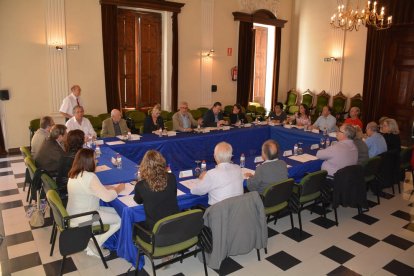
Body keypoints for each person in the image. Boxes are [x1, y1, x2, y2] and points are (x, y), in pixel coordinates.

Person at [66, 148, 124, 258]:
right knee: (121, 219)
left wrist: (106, 187)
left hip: (74, 215)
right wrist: (119, 189)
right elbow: (107, 198)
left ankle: (92, 242)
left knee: (119, 213)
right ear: (88, 161)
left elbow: (89, 189)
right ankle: (96, 242)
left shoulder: (74, 174)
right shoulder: (90, 176)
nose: (97, 160)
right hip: (85, 219)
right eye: (94, 158)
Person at [133, 150, 179, 230]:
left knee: (135, 223)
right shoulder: (171, 177)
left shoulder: (141, 185)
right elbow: (174, 194)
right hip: (174, 224)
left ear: (144, 166)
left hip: (155, 229)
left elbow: (138, 201)